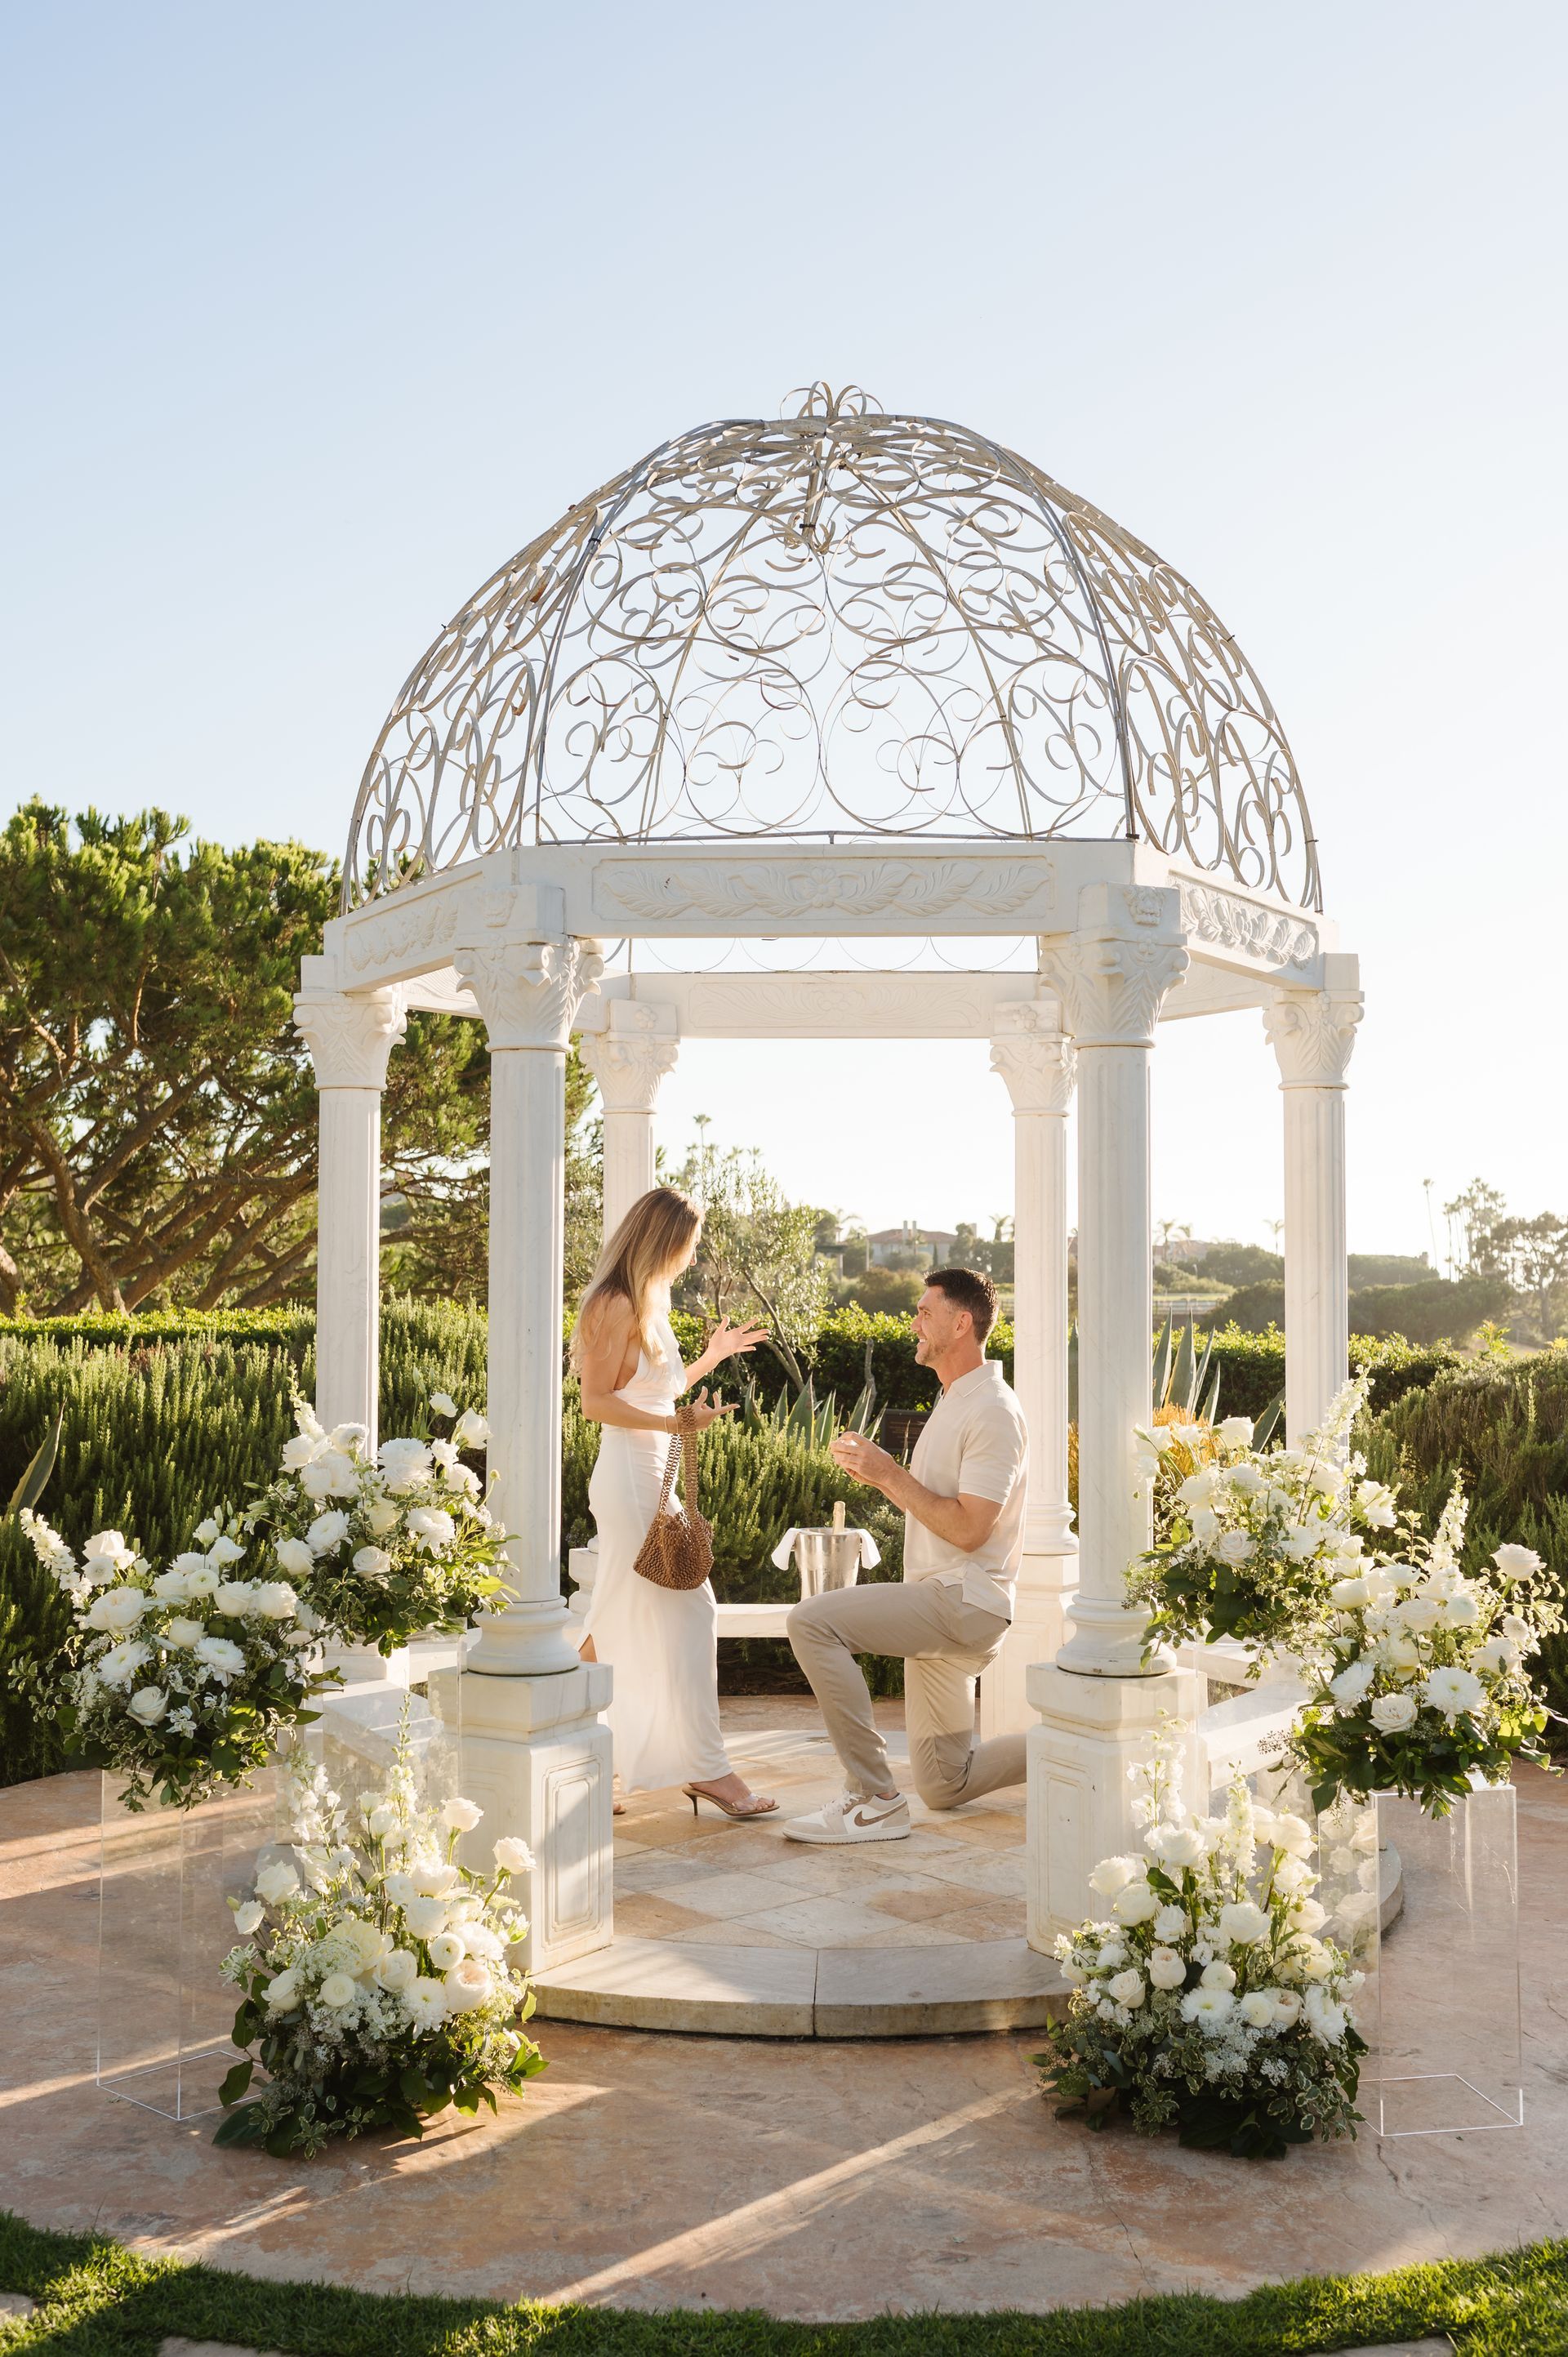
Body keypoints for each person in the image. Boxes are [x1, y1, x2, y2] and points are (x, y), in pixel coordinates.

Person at [782, 1267, 1028, 1844]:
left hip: (963, 1599)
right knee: (945, 1783)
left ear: (961, 1323)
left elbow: (971, 1531)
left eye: (925, 1311)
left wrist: (889, 1475)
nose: (913, 1321)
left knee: (811, 1623)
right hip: (945, 1600)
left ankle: (874, 1798)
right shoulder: (956, 1400)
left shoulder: (992, 1409)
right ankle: (1080, 1747)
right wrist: (883, 1478)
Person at [574, 1186, 776, 1820]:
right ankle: (709, 1770)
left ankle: (573, 1753)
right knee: (692, 1611)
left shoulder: (650, 1305)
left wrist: (710, 1359)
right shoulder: (613, 1303)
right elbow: (596, 1402)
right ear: (666, 1240)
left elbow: (653, 1391)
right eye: (689, 1244)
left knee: (608, 1622)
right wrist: (676, 1426)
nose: (692, 1257)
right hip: (632, 1480)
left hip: (650, 1476)